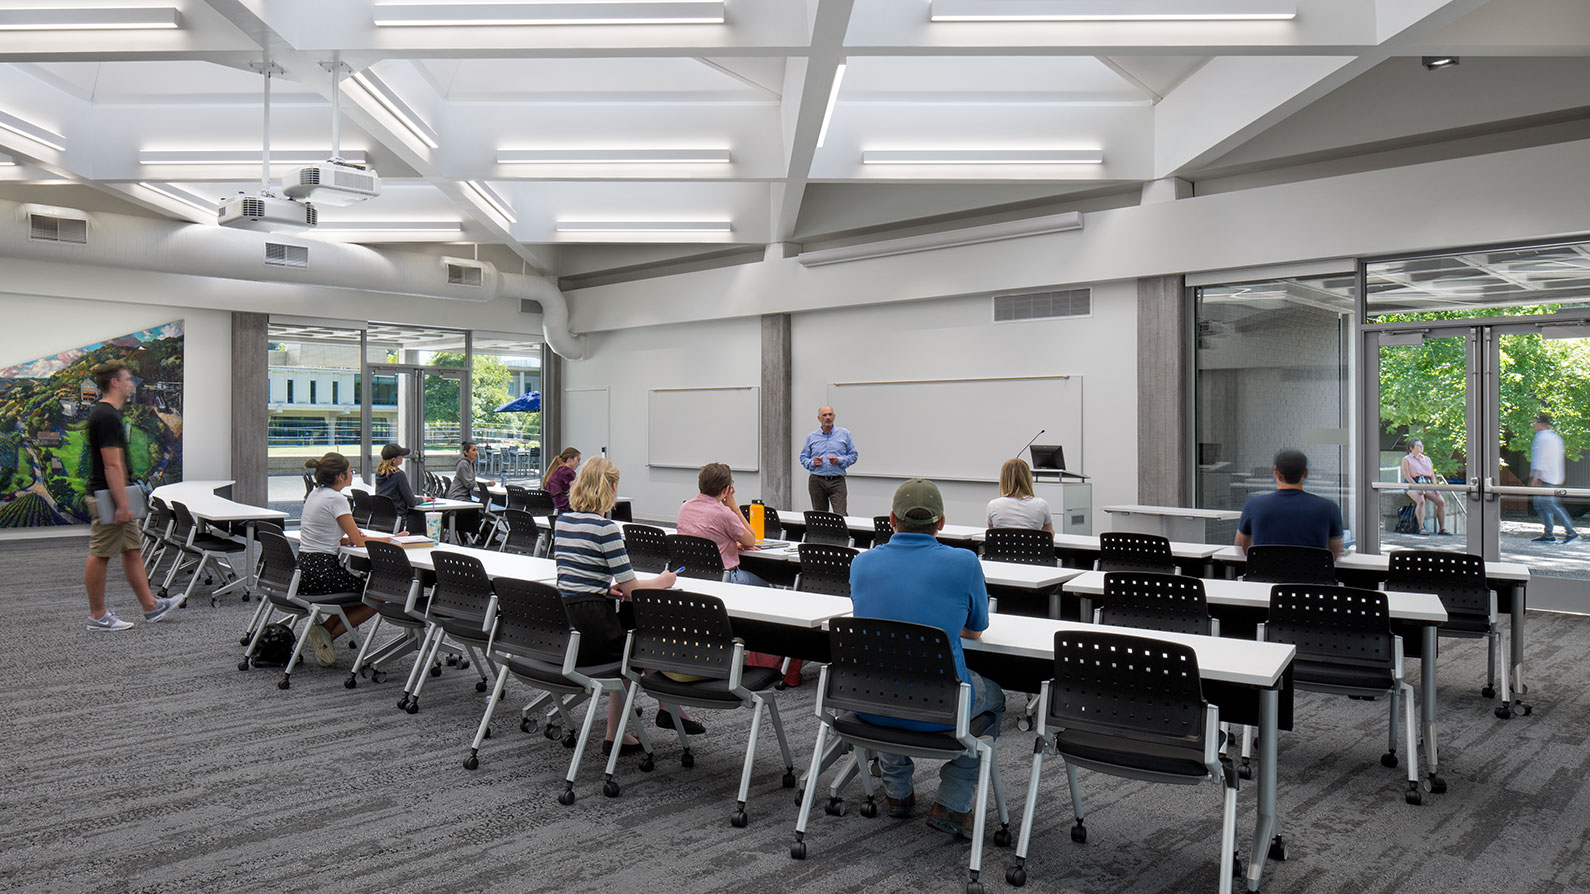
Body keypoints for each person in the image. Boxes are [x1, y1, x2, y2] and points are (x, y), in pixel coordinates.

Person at [848, 478, 1004, 839]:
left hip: (870, 705)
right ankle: (952, 803)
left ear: (891, 520)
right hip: (940, 709)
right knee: (994, 698)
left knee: (889, 670)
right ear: (942, 522)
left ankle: (897, 794)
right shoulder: (964, 562)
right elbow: (977, 629)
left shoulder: (862, 563)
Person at [553, 457, 693, 753]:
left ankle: (653, 716)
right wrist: (664, 580)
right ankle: (653, 714)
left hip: (569, 623)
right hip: (595, 625)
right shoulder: (606, 529)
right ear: (611, 487)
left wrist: (604, 587)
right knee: (640, 649)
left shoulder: (562, 523)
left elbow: (579, 572)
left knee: (634, 645)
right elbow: (631, 591)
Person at [82, 361, 182, 631]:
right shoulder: (106, 416)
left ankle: (151, 606)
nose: (131, 384)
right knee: (101, 554)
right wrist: (122, 504)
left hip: (116, 494)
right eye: (127, 379)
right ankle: (97, 615)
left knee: (133, 551)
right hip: (110, 497)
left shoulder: (110, 414)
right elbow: (111, 464)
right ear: (114, 382)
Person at [299, 453, 390, 666]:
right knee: (375, 596)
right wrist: (392, 539)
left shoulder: (316, 494)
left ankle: (325, 629)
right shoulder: (337, 499)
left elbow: (333, 535)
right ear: (340, 476)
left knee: (356, 591)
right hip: (323, 571)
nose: (352, 474)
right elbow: (359, 541)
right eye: (350, 471)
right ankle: (329, 635)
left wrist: (347, 540)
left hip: (305, 568)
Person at [1235, 449, 1345, 558]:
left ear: (1275, 472)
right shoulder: (1329, 508)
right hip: (1311, 575)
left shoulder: (1253, 505)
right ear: (1305, 473)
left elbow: (1242, 548)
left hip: (1264, 575)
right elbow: (1334, 554)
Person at [799, 405, 858, 515]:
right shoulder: (811, 437)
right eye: (824, 415)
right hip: (817, 481)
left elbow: (853, 455)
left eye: (830, 414)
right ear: (819, 418)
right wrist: (812, 462)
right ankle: (820, 533)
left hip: (837, 481)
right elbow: (803, 457)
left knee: (841, 515)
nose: (828, 417)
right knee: (819, 516)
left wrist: (840, 461)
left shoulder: (844, 434)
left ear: (834, 416)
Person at [1529, 414, 1579, 544]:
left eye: (1535, 422)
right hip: (1554, 476)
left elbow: (1540, 458)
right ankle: (1549, 533)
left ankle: (1570, 532)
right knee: (1541, 504)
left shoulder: (1541, 438)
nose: (1534, 425)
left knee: (1549, 504)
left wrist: (1536, 477)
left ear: (1541, 423)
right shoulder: (1555, 438)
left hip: (1544, 477)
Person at [986, 457, 1055, 533]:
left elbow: (992, 534)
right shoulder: (1041, 504)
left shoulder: (993, 505)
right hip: (1031, 544)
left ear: (1003, 479)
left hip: (1004, 545)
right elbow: (1049, 534)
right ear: (1028, 477)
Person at [445, 440, 494, 544]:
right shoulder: (463, 464)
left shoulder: (469, 464)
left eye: (476, 450)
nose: (476, 453)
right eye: (473, 450)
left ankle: (477, 534)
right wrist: (487, 484)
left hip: (463, 497)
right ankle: (473, 534)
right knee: (480, 510)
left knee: (480, 509)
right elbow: (469, 484)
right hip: (458, 498)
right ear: (466, 452)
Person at [1400, 440, 1448, 536]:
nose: (1421, 447)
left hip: (1426, 482)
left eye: (1422, 445)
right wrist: (1416, 487)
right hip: (1413, 483)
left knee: (1441, 501)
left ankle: (1442, 528)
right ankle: (1421, 528)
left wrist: (1435, 487)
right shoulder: (1406, 459)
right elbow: (1407, 476)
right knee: (1421, 501)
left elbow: (1432, 475)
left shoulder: (1427, 459)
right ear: (1411, 448)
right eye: (1418, 445)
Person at [374, 442, 424, 534]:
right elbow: (412, 501)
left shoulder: (379, 474)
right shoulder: (399, 475)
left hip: (383, 520)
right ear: (394, 460)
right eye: (401, 456)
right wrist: (422, 499)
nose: (403, 457)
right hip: (400, 519)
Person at [542, 446, 581, 513]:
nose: (579, 464)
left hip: (552, 506)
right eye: (578, 460)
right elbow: (576, 489)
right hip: (562, 507)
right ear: (570, 459)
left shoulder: (556, 470)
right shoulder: (567, 472)